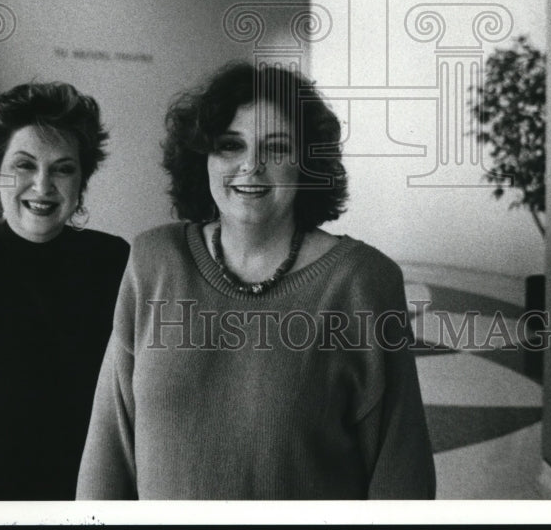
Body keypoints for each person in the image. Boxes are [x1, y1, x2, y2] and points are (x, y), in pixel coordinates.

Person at [77, 62, 435, 500]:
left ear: (307, 162)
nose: (251, 165)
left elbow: (402, 476)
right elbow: (107, 456)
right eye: (230, 145)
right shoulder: (153, 262)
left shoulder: (362, 281)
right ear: (201, 157)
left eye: (277, 147)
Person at [0, 81, 130, 500]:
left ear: (82, 181)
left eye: (63, 168)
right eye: (25, 165)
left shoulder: (115, 263)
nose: (43, 185)